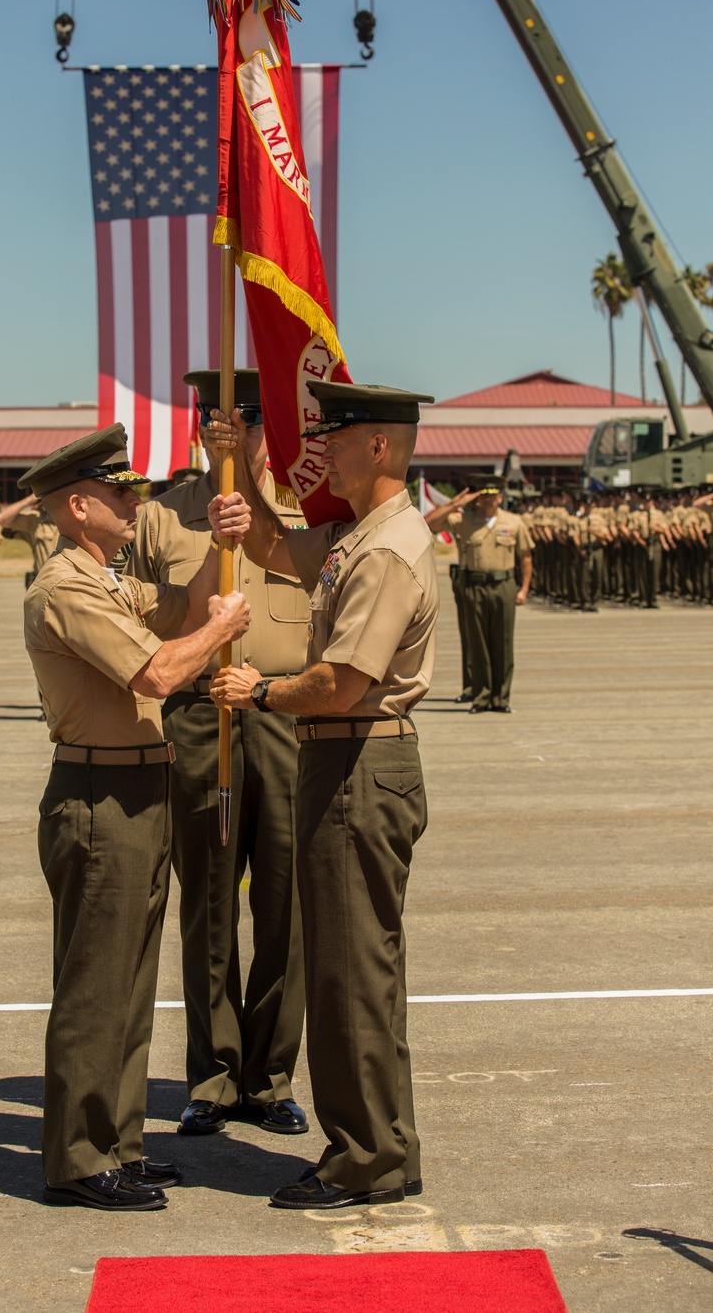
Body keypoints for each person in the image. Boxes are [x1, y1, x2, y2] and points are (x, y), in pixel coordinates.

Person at [208, 380, 437, 1211]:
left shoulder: (383, 552)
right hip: (344, 763)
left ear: (377, 447)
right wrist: (230, 467)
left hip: (356, 762)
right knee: (355, 968)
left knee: (349, 973)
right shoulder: (358, 535)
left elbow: (341, 684)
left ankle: (366, 1158)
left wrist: (259, 690)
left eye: (336, 441)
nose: (320, 454)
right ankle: (380, 1145)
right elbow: (276, 551)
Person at [20, 423, 252, 1211]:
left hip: (137, 790)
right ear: (78, 506)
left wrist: (219, 541)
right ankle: (80, 1160)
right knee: (96, 985)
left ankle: (118, 1144)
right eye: (120, 493)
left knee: (130, 981)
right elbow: (157, 672)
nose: (134, 501)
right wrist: (220, 632)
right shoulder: (65, 587)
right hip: (98, 797)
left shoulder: (107, 577)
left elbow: (178, 604)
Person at [125, 369, 310, 1139]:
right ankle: (213, 1073)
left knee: (285, 902)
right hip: (199, 716)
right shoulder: (163, 519)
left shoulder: (306, 512)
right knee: (205, 900)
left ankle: (270, 1079)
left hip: (283, 711)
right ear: (201, 427)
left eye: (254, 421)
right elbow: (138, 628)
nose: (238, 434)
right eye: (221, 420)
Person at [424, 475, 532, 713]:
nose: (488, 500)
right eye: (484, 496)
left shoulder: (514, 522)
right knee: (478, 643)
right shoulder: (465, 520)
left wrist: (523, 589)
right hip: (475, 585)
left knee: (503, 643)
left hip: (503, 585)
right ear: (478, 498)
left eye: (493, 496)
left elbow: (525, 557)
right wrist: (456, 503)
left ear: (500, 497)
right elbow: (431, 523)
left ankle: (501, 698)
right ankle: (481, 697)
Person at [0, 493, 59, 584]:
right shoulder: (36, 520)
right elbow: (2, 519)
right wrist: (30, 499)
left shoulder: (74, 517)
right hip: (44, 581)